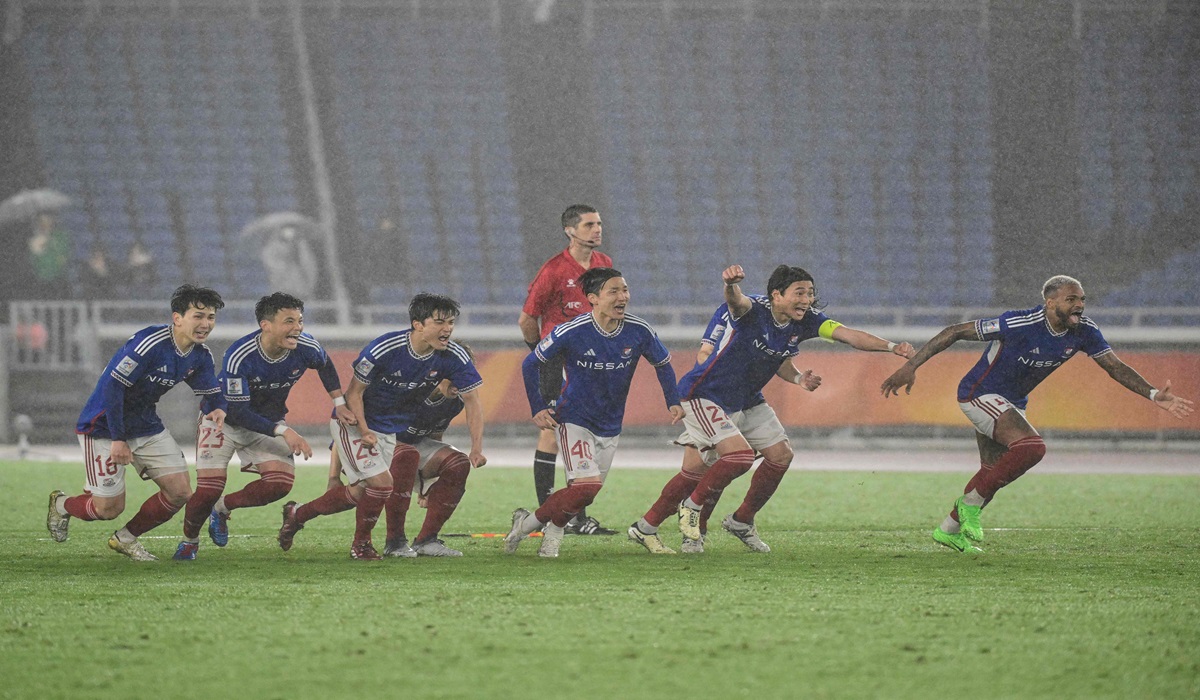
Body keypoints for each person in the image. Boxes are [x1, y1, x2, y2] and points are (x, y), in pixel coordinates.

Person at [880, 275, 1195, 552]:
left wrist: (1153, 394)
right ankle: (968, 506)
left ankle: (947, 531)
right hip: (978, 394)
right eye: (1071, 299)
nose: (1080, 305)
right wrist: (911, 365)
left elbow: (1113, 365)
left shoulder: (1084, 331)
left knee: (993, 470)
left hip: (1012, 401)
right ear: (1050, 302)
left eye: (1082, 299)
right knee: (1032, 447)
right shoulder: (1020, 323)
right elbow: (955, 331)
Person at [629, 264, 915, 555]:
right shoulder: (753, 310)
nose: (806, 299)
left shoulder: (806, 321)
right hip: (706, 395)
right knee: (722, 463)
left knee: (779, 456)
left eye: (810, 293)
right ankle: (691, 515)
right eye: (799, 293)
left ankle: (734, 521)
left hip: (748, 399)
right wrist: (730, 285)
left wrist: (891, 347)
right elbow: (734, 302)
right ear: (776, 295)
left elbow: (847, 335)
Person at [278, 293, 486, 560]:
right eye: (439, 322)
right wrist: (359, 436)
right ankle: (368, 543)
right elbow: (353, 394)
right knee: (376, 484)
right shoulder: (385, 348)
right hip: (356, 423)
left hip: (388, 431)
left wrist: (476, 448)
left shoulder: (452, 361)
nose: (447, 329)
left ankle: (423, 540)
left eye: (451, 323)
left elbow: (471, 403)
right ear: (418, 324)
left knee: (364, 490)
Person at [505, 267, 685, 558]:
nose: (622, 296)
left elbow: (663, 363)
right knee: (585, 485)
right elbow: (530, 363)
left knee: (586, 491)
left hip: (611, 424)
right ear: (593, 298)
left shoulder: (639, 330)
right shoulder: (572, 331)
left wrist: (672, 400)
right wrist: (538, 407)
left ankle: (526, 524)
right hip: (575, 418)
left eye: (624, 290)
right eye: (613, 291)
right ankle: (553, 532)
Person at [45, 285, 227, 561]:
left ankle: (126, 538)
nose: (205, 324)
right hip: (104, 426)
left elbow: (211, 393)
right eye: (198, 316)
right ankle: (62, 504)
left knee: (179, 493)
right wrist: (118, 438)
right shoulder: (150, 344)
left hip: (145, 424)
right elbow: (114, 388)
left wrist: (218, 409)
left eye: (210, 317)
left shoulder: (199, 356)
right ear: (177, 318)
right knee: (108, 509)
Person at [174, 292, 354, 560]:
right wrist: (284, 431)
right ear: (265, 325)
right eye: (289, 321)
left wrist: (339, 402)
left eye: (300, 321)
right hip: (222, 421)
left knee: (279, 485)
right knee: (209, 488)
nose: (297, 329)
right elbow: (236, 412)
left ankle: (221, 509)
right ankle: (189, 542)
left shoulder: (306, 346)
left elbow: (325, 364)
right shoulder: (240, 355)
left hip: (268, 423)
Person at [517, 204, 616, 535]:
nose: (597, 229)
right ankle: (547, 514)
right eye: (589, 225)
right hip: (559, 359)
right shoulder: (554, 271)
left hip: (590, 361)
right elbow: (527, 319)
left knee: (584, 431)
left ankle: (577, 516)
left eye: (599, 223)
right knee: (551, 429)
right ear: (570, 231)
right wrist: (541, 354)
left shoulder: (604, 264)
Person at [262, 225, 318, 300]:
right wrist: (285, 259)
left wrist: (299, 248)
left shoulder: (301, 245)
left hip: (299, 285)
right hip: (281, 284)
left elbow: (308, 263)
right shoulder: (271, 248)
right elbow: (270, 262)